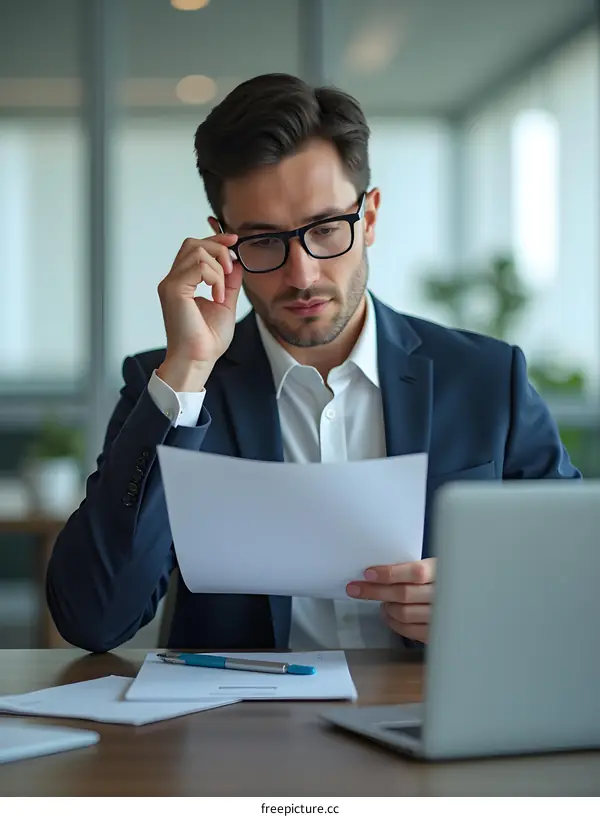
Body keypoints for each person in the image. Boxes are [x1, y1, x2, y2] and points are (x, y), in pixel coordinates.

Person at [46, 73, 580, 654]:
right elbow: (93, 619)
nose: (301, 275)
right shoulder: (176, 386)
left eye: (326, 229)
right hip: (241, 733)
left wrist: (486, 599)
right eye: (264, 241)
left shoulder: (485, 379)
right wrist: (188, 373)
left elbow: (576, 572)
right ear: (221, 245)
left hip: (431, 717)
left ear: (369, 218)